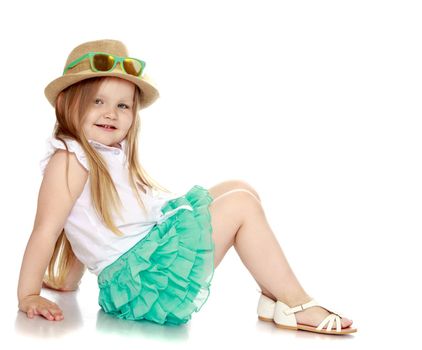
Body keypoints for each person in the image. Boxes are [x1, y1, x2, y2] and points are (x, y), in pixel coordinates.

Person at [17, 39, 357, 335]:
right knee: (240, 206)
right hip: (144, 284)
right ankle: (297, 303)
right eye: (98, 101)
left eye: (123, 105)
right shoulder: (70, 159)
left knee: (238, 187)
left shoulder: (104, 154)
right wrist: (28, 294)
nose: (112, 114)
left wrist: (68, 281)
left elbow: (92, 224)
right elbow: (48, 228)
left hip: (145, 264)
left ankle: (273, 294)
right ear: (66, 104)